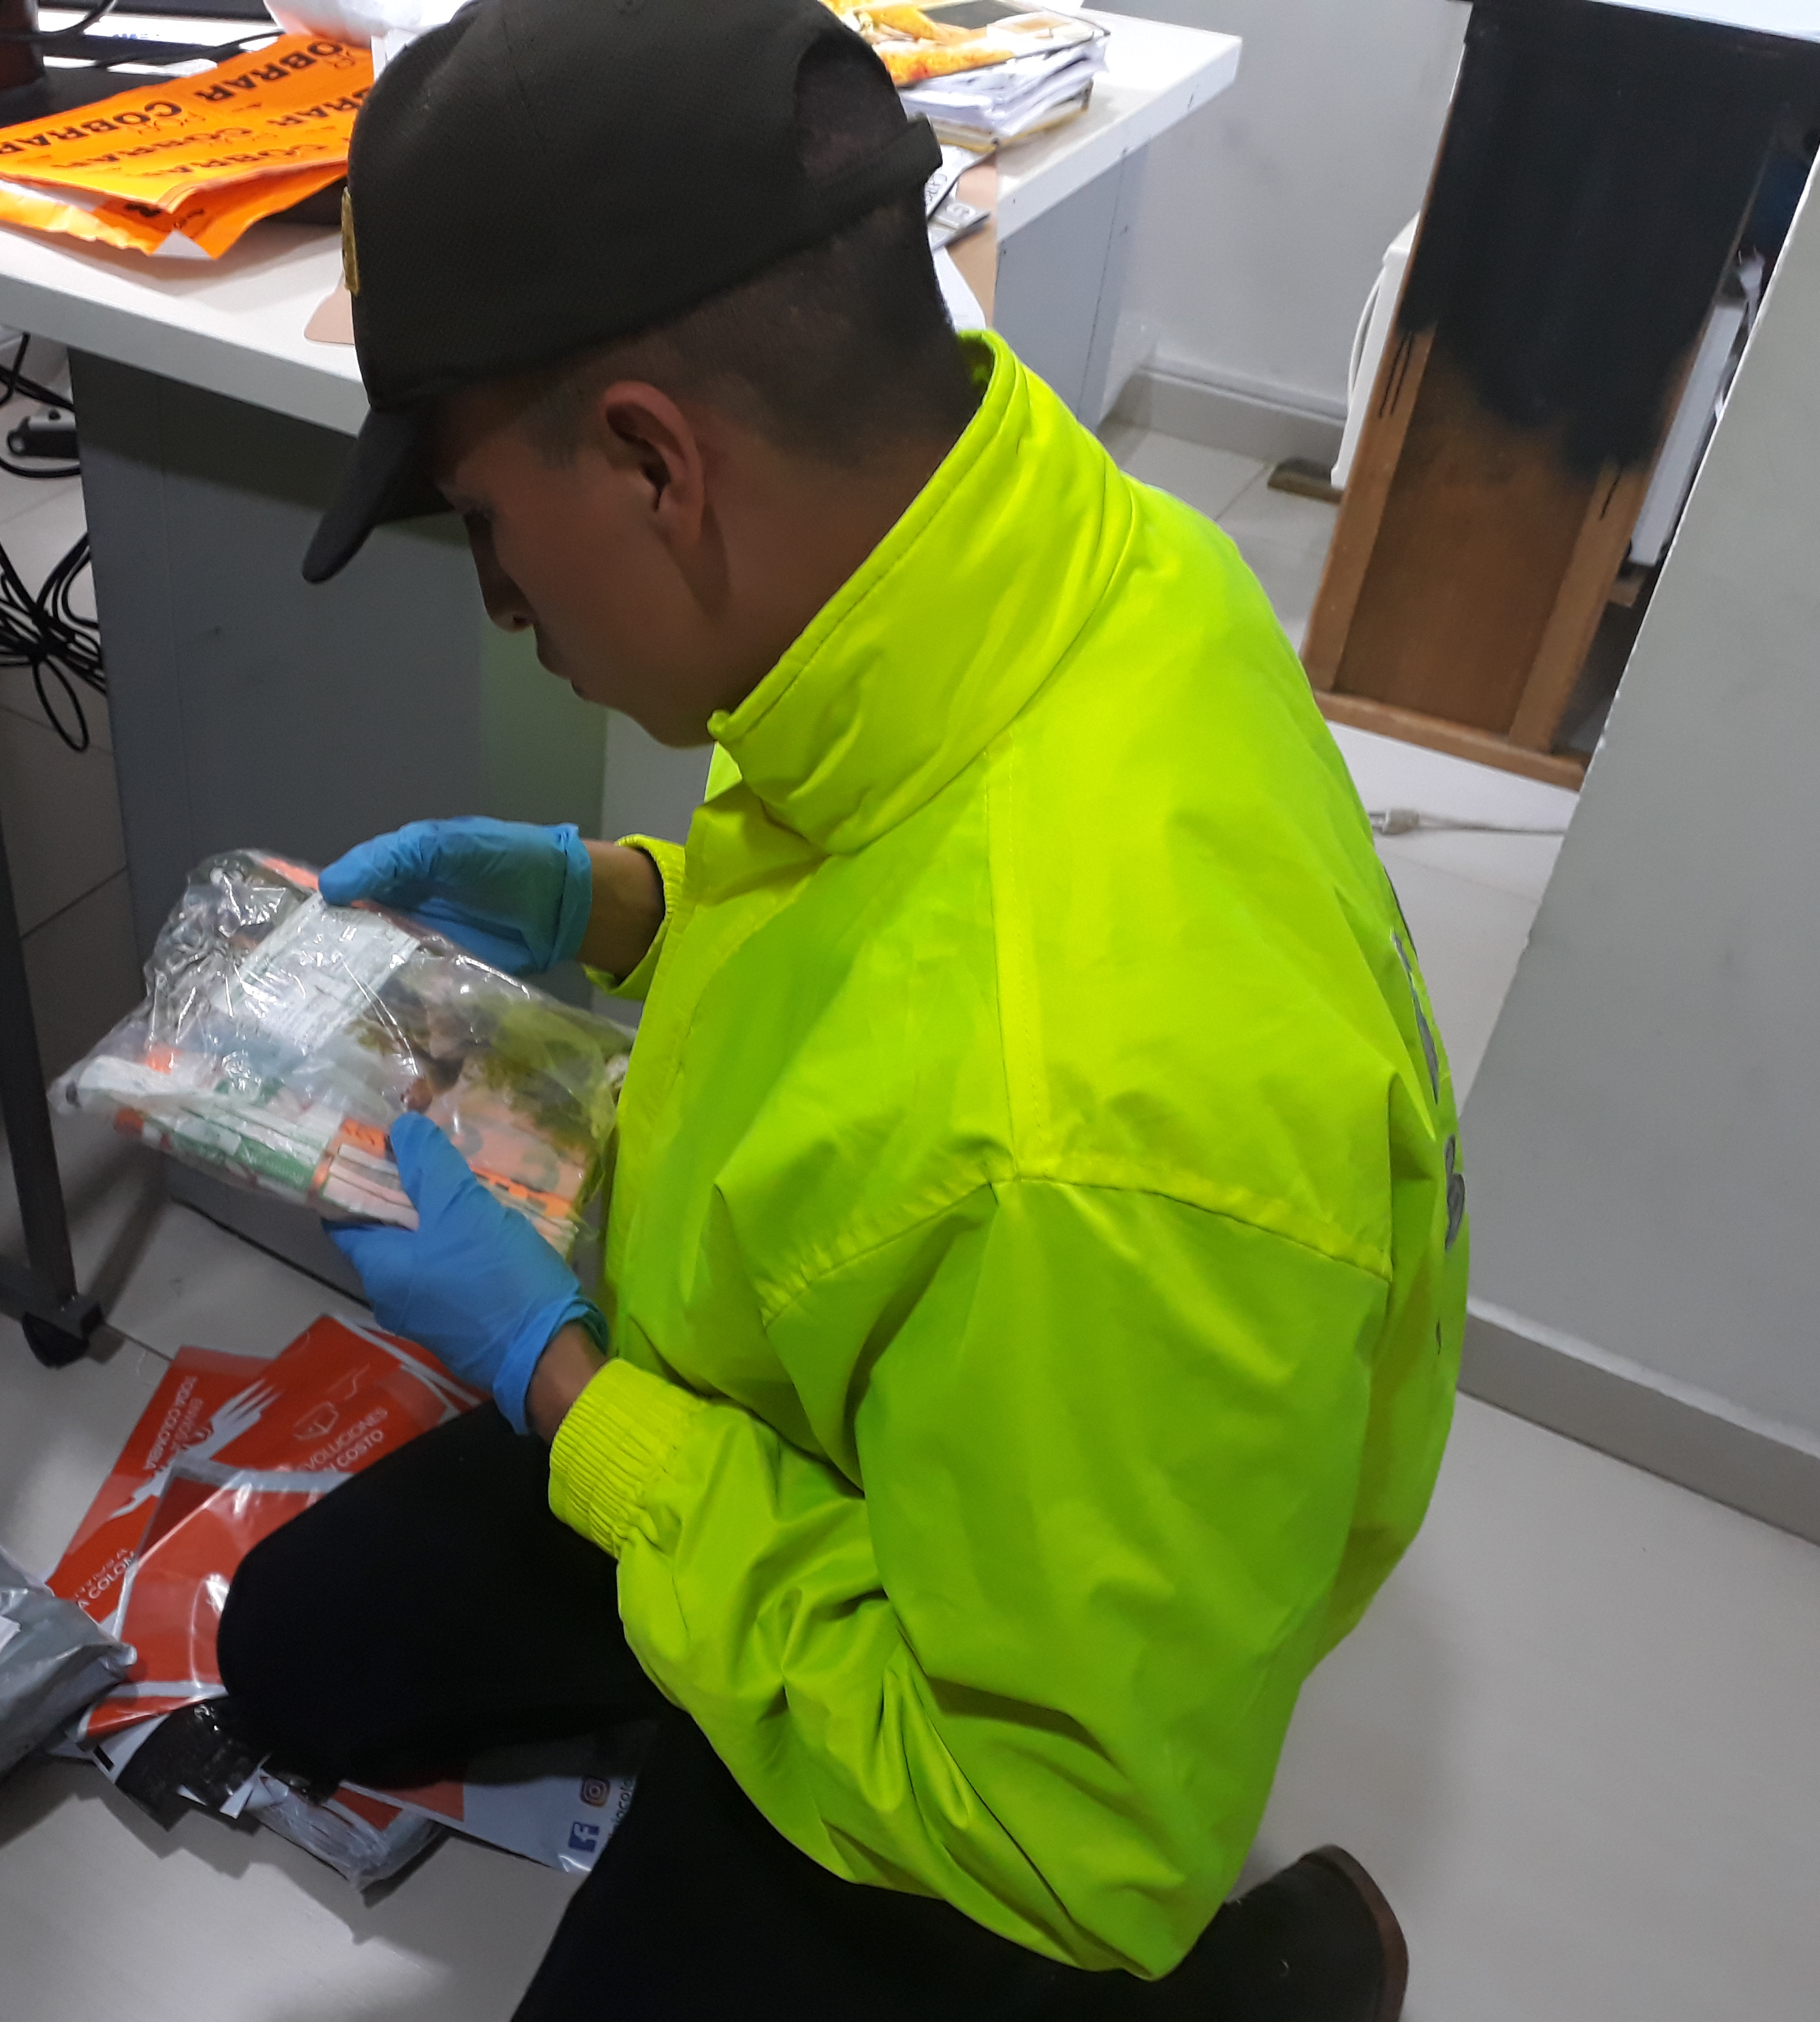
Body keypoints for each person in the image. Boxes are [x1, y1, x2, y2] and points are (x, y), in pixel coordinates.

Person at [216, 0, 1466, 2014]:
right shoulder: (1014, 553)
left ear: (655, 462)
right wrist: (622, 899)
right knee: (293, 1657)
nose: (502, 610)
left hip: (989, 1673)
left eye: (489, 534)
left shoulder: (1104, 1132)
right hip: (827, 1385)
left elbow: (1051, 1833)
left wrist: (570, 1397)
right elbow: (893, 899)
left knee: (1025, 1898)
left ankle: (1262, 1982)